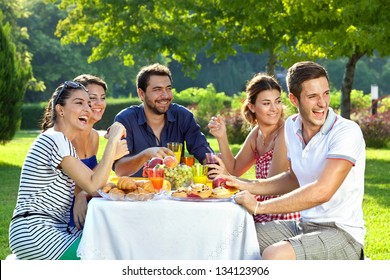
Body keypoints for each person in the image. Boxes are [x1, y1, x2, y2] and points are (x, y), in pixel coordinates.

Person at [224, 61, 366, 260]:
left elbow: (323, 191)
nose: (323, 103)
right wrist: (243, 184)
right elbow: (293, 178)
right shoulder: (291, 126)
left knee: (275, 255)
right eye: (313, 96)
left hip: (342, 234)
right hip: (304, 225)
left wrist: (259, 207)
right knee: (234, 239)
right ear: (293, 99)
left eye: (326, 93)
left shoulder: (346, 131)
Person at [8, 81, 128, 259]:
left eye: (88, 103)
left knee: (113, 241)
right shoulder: (56, 139)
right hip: (35, 231)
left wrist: (111, 156)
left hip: (54, 228)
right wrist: (112, 144)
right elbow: (94, 186)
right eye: (79, 103)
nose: (87, 109)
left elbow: (95, 180)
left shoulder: (62, 143)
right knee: (108, 255)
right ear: (60, 110)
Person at [208, 73, 300, 223]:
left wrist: (229, 178)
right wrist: (221, 137)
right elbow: (234, 169)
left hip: (283, 214)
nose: (274, 108)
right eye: (266, 103)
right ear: (252, 107)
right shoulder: (256, 134)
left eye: (277, 101)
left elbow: (271, 185)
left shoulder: (285, 132)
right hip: (261, 208)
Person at [114, 63, 213, 177]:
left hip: (175, 192)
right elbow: (119, 170)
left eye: (168, 88)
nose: (165, 95)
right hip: (139, 192)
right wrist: (146, 154)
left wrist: (213, 165)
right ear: (141, 94)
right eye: (157, 89)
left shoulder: (183, 116)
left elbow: (203, 151)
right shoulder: (126, 119)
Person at [69, 74, 108, 229]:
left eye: (103, 97)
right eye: (92, 98)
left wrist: (83, 194)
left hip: (89, 207)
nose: (99, 103)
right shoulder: (66, 138)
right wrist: (111, 155)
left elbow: (94, 180)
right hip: (67, 214)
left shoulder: (94, 137)